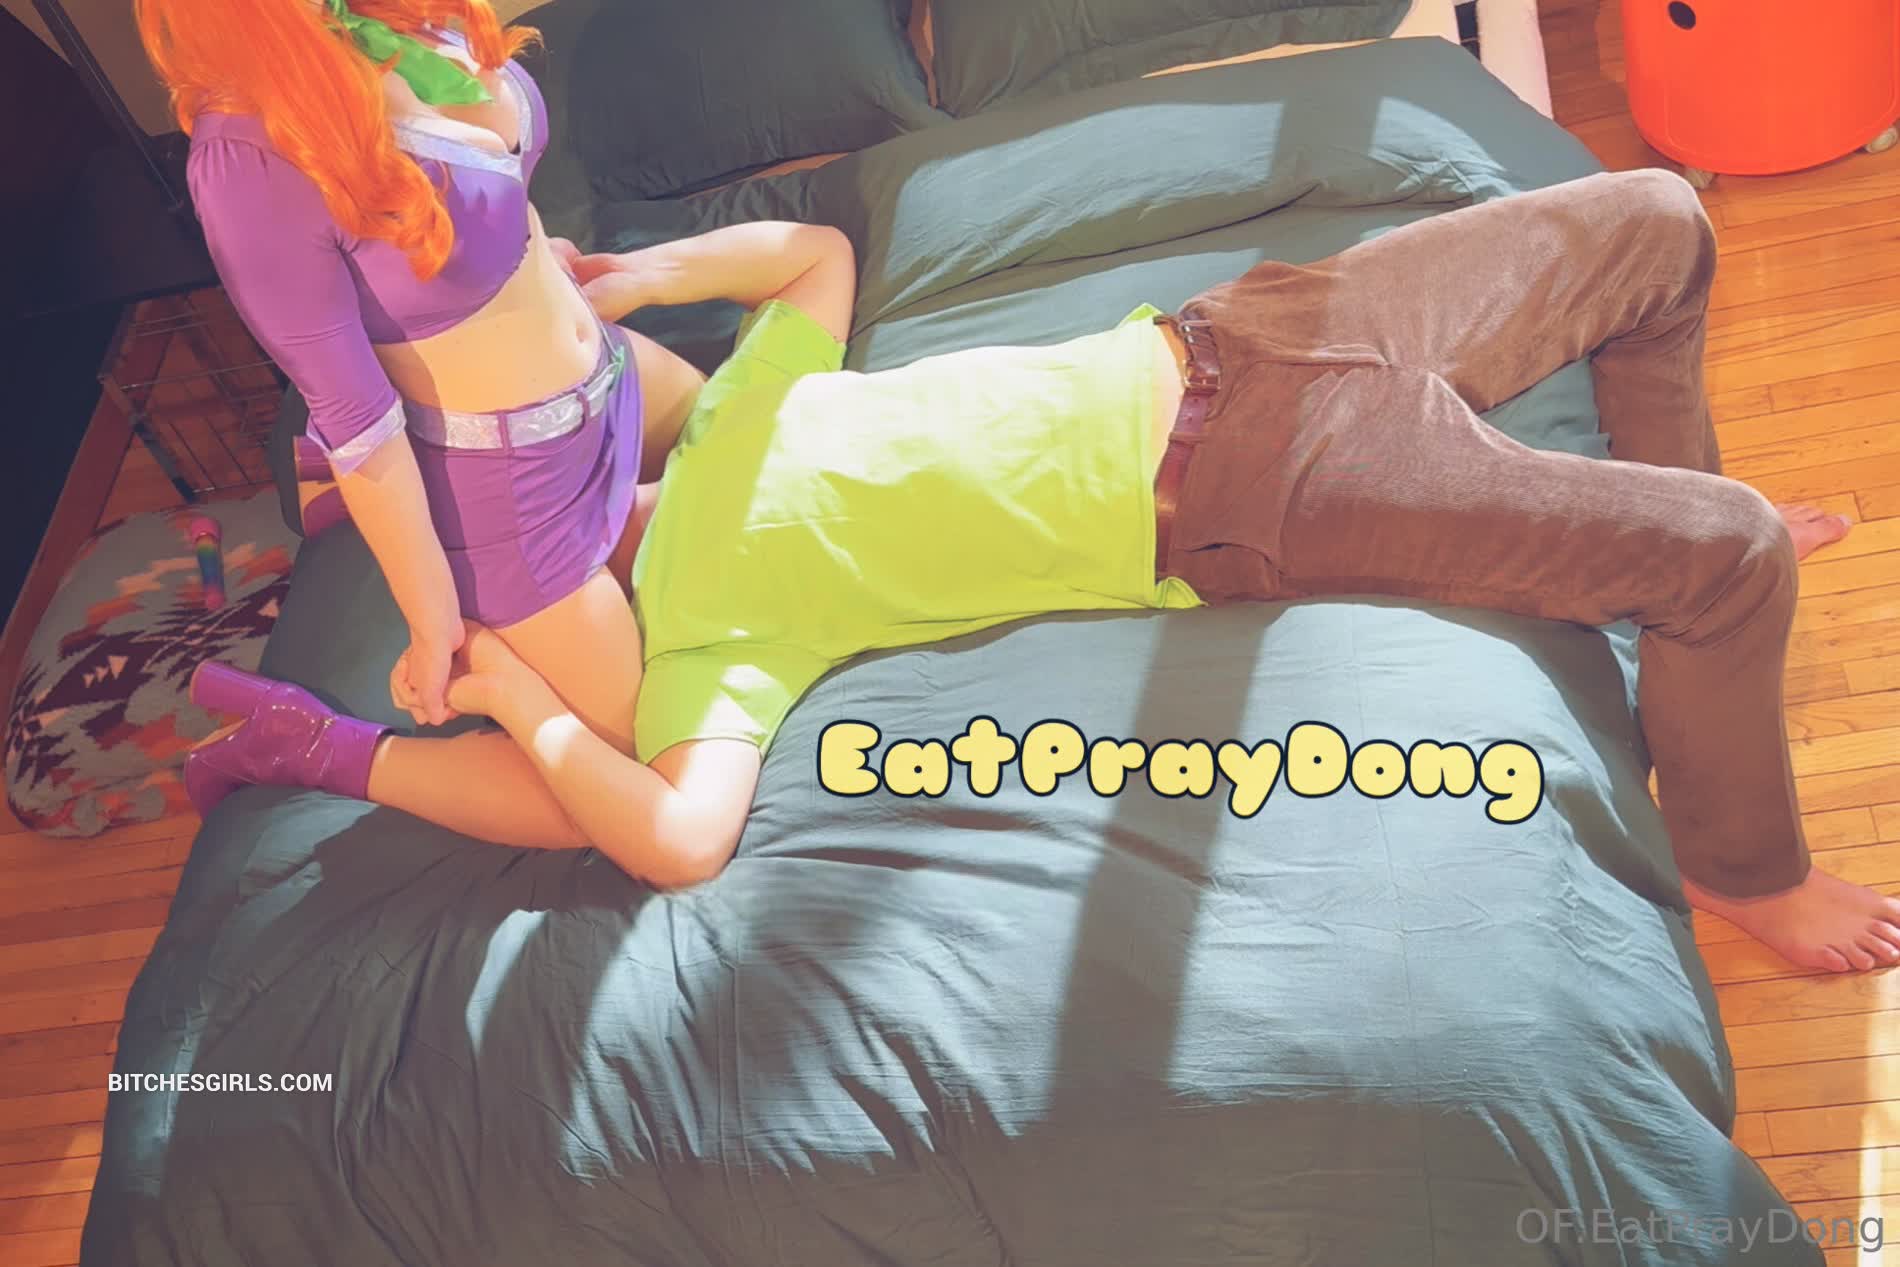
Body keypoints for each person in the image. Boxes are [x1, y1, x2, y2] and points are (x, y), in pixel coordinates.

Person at [186, 164, 1897, 977]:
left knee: (1663, 221)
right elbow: (680, 837)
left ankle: (1677, 493)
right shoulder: (714, 632)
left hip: (1246, 331)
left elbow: (815, 255)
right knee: (1730, 561)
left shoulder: (732, 420)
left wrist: (641, 275)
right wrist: (513, 699)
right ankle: (1738, 861)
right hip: (1256, 486)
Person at [135, 0, 851, 765]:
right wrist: (431, 618)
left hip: (611, 375)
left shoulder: (394, 14)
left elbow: (481, 200)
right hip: (517, 492)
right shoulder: (246, 160)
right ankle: (327, 750)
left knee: (775, 480)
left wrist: (538, 262)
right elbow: (357, 419)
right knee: (639, 768)